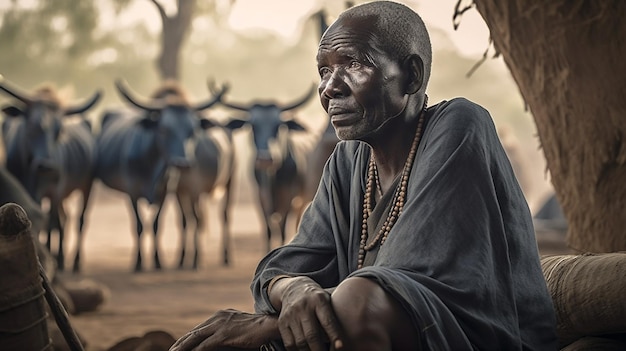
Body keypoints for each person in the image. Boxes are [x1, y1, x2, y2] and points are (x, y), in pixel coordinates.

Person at [170, 1, 558, 350]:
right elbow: (281, 268)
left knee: (356, 297)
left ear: (411, 76)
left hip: (476, 337)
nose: (329, 87)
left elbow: (393, 280)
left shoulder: (459, 124)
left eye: (353, 64)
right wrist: (296, 289)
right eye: (324, 70)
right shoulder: (348, 160)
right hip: (379, 327)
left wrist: (263, 328)